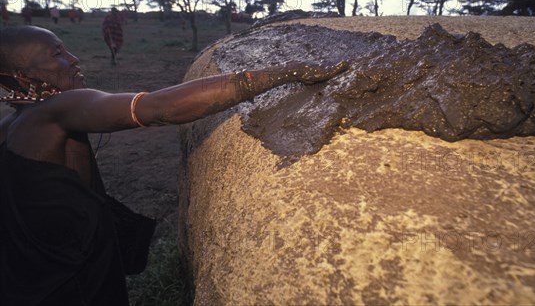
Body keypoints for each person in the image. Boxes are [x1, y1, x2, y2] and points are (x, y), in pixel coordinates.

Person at [0, 25, 346, 305]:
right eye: (57, 54)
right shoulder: (57, 110)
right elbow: (158, 108)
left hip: (29, 278)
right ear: (21, 77)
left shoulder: (9, 127)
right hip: (71, 281)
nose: (73, 59)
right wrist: (284, 73)